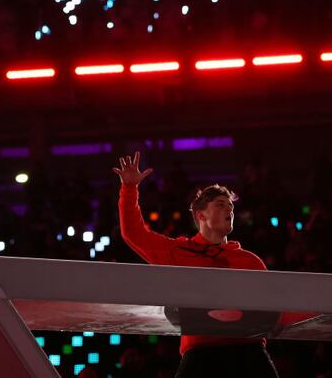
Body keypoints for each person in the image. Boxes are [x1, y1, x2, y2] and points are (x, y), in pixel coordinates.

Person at [113, 152, 280, 378]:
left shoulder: (250, 261)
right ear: (201, 215)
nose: (229, 211)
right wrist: (129, 189)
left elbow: (272, 308)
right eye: (221, 205)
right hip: (202, 355)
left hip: (248, 353)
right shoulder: (179, 253)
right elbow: (134, 233)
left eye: (231, 207)